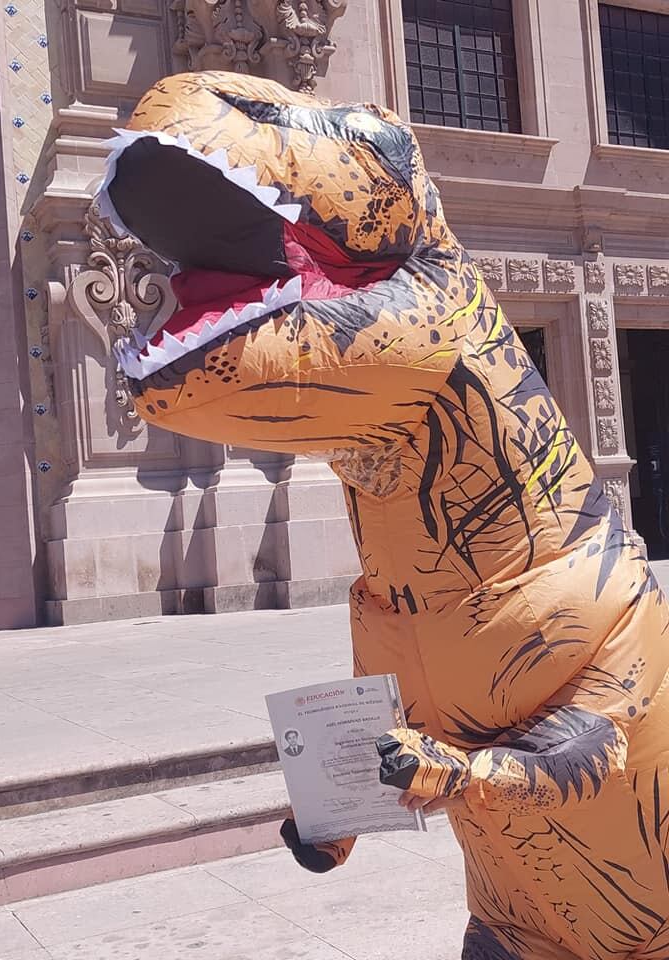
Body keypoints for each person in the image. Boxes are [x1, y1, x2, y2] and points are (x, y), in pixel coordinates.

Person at [96, 69, 669, 960]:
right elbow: (397, 735)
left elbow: (595, 753)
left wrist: (461, 774)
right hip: (511, 926)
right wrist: (338, 817)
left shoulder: (604, 594)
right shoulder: (389, 601)